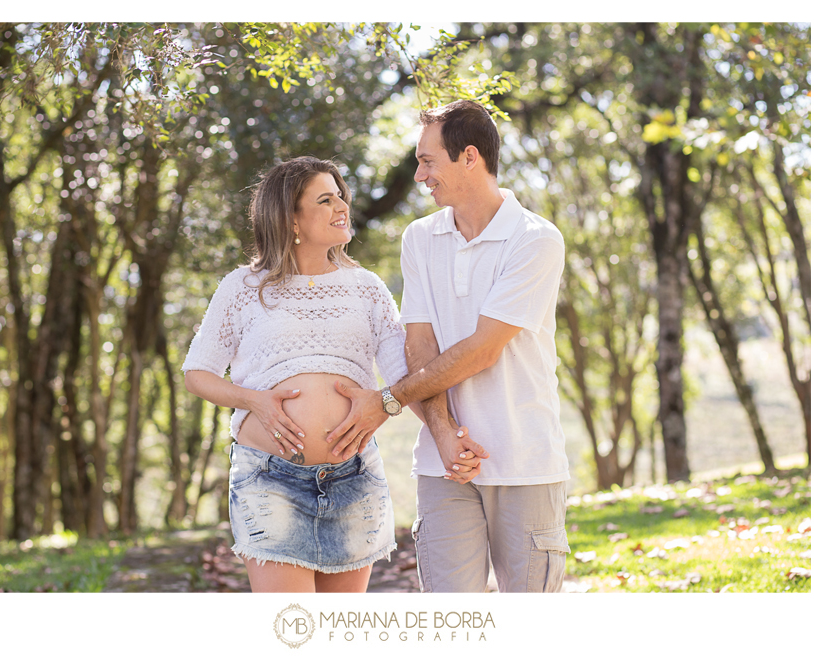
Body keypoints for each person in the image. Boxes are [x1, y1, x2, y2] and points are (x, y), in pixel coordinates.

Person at [325, 100, 571, 592]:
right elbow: (419, 342)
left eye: (427, 161)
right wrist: (441, 431)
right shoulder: (420, 238)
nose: (419, 175)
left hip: (525, 462)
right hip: (443, 467)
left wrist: (390, 400)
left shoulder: (535, 240)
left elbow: (483, 348)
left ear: (470, 158)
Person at [182, 156, 424, 593]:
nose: (342, 208)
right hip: (267, 481)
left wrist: (439, 429)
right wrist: (253, 400)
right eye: (326, 200)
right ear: (290, 218)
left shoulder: (367, 287)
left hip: (354, 478)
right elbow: (198, 373)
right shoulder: (242, 287)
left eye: (341, 198)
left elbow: (407, 378)